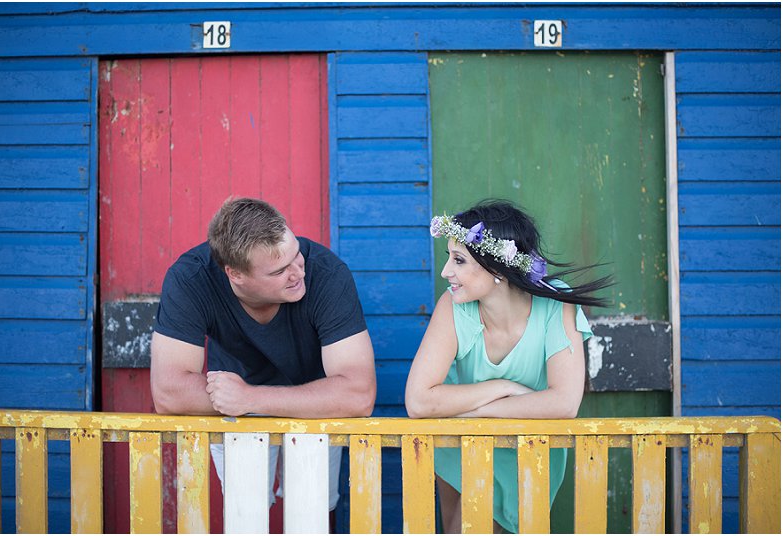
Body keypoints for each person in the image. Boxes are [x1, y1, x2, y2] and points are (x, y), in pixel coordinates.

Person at [150, 197, 376, 513]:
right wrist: (239, 401)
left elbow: (358, 394)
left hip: (313, 406)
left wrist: (251, 399)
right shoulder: (192, 278)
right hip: (232, 408)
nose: (298, 272)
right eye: (280, 270)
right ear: (235, 274)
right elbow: (168, 392)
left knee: (309, 516)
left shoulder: (326, 273)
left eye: (297, 255)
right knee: (246, 514)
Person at [404, 199, 611, 534]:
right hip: (460, 446)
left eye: (459, 260)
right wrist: (502, 387)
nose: (446, 272)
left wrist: (471, 412)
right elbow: (418, 402)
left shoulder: (554, 303)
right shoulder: (454, 306)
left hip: (522, 449)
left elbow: (564, 402)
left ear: (497, 269)